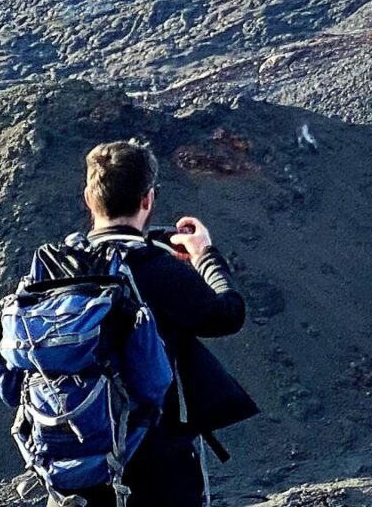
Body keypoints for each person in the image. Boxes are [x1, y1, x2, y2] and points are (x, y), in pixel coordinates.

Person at [29, 140, 259, 506]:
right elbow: (228, 314)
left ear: (89, 198)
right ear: (148, 200)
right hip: (155, 471)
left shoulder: (56, 269)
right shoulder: (157, 270)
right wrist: (205, 255)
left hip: (78, 470)